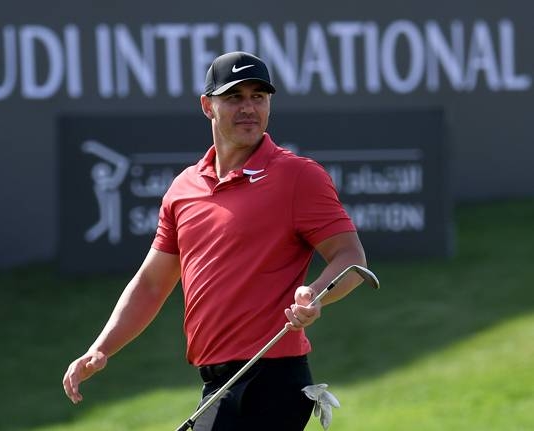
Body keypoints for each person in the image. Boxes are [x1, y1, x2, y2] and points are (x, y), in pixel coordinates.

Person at [63, 51, 367, 430]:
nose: (248, 108)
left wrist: (316, 293)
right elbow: (152, 282)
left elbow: (351, 258)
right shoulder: (183, 189)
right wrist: (101, 348)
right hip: (218, 383)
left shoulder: (298, 176)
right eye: (234, 97)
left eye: (258, 96)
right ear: (208, 106)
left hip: (273, 377)